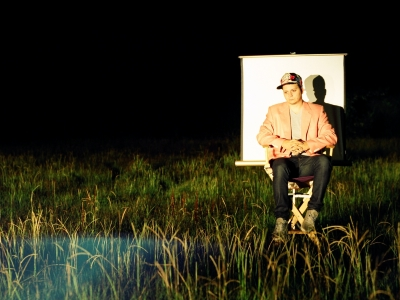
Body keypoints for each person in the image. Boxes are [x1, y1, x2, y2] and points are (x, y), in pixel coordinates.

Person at [256, 73, 337, 243]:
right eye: (286, 92)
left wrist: (307, 145)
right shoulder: (274, 110)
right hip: (286, 162)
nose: (290, 95)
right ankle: (281, 220)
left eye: (293, 90)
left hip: (309, 160)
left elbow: (331, 137)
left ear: (301, 89)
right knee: (278, 165)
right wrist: (283, 142)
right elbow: (262, 136)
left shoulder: (317, 110)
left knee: (324, 161)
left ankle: (311, 214)